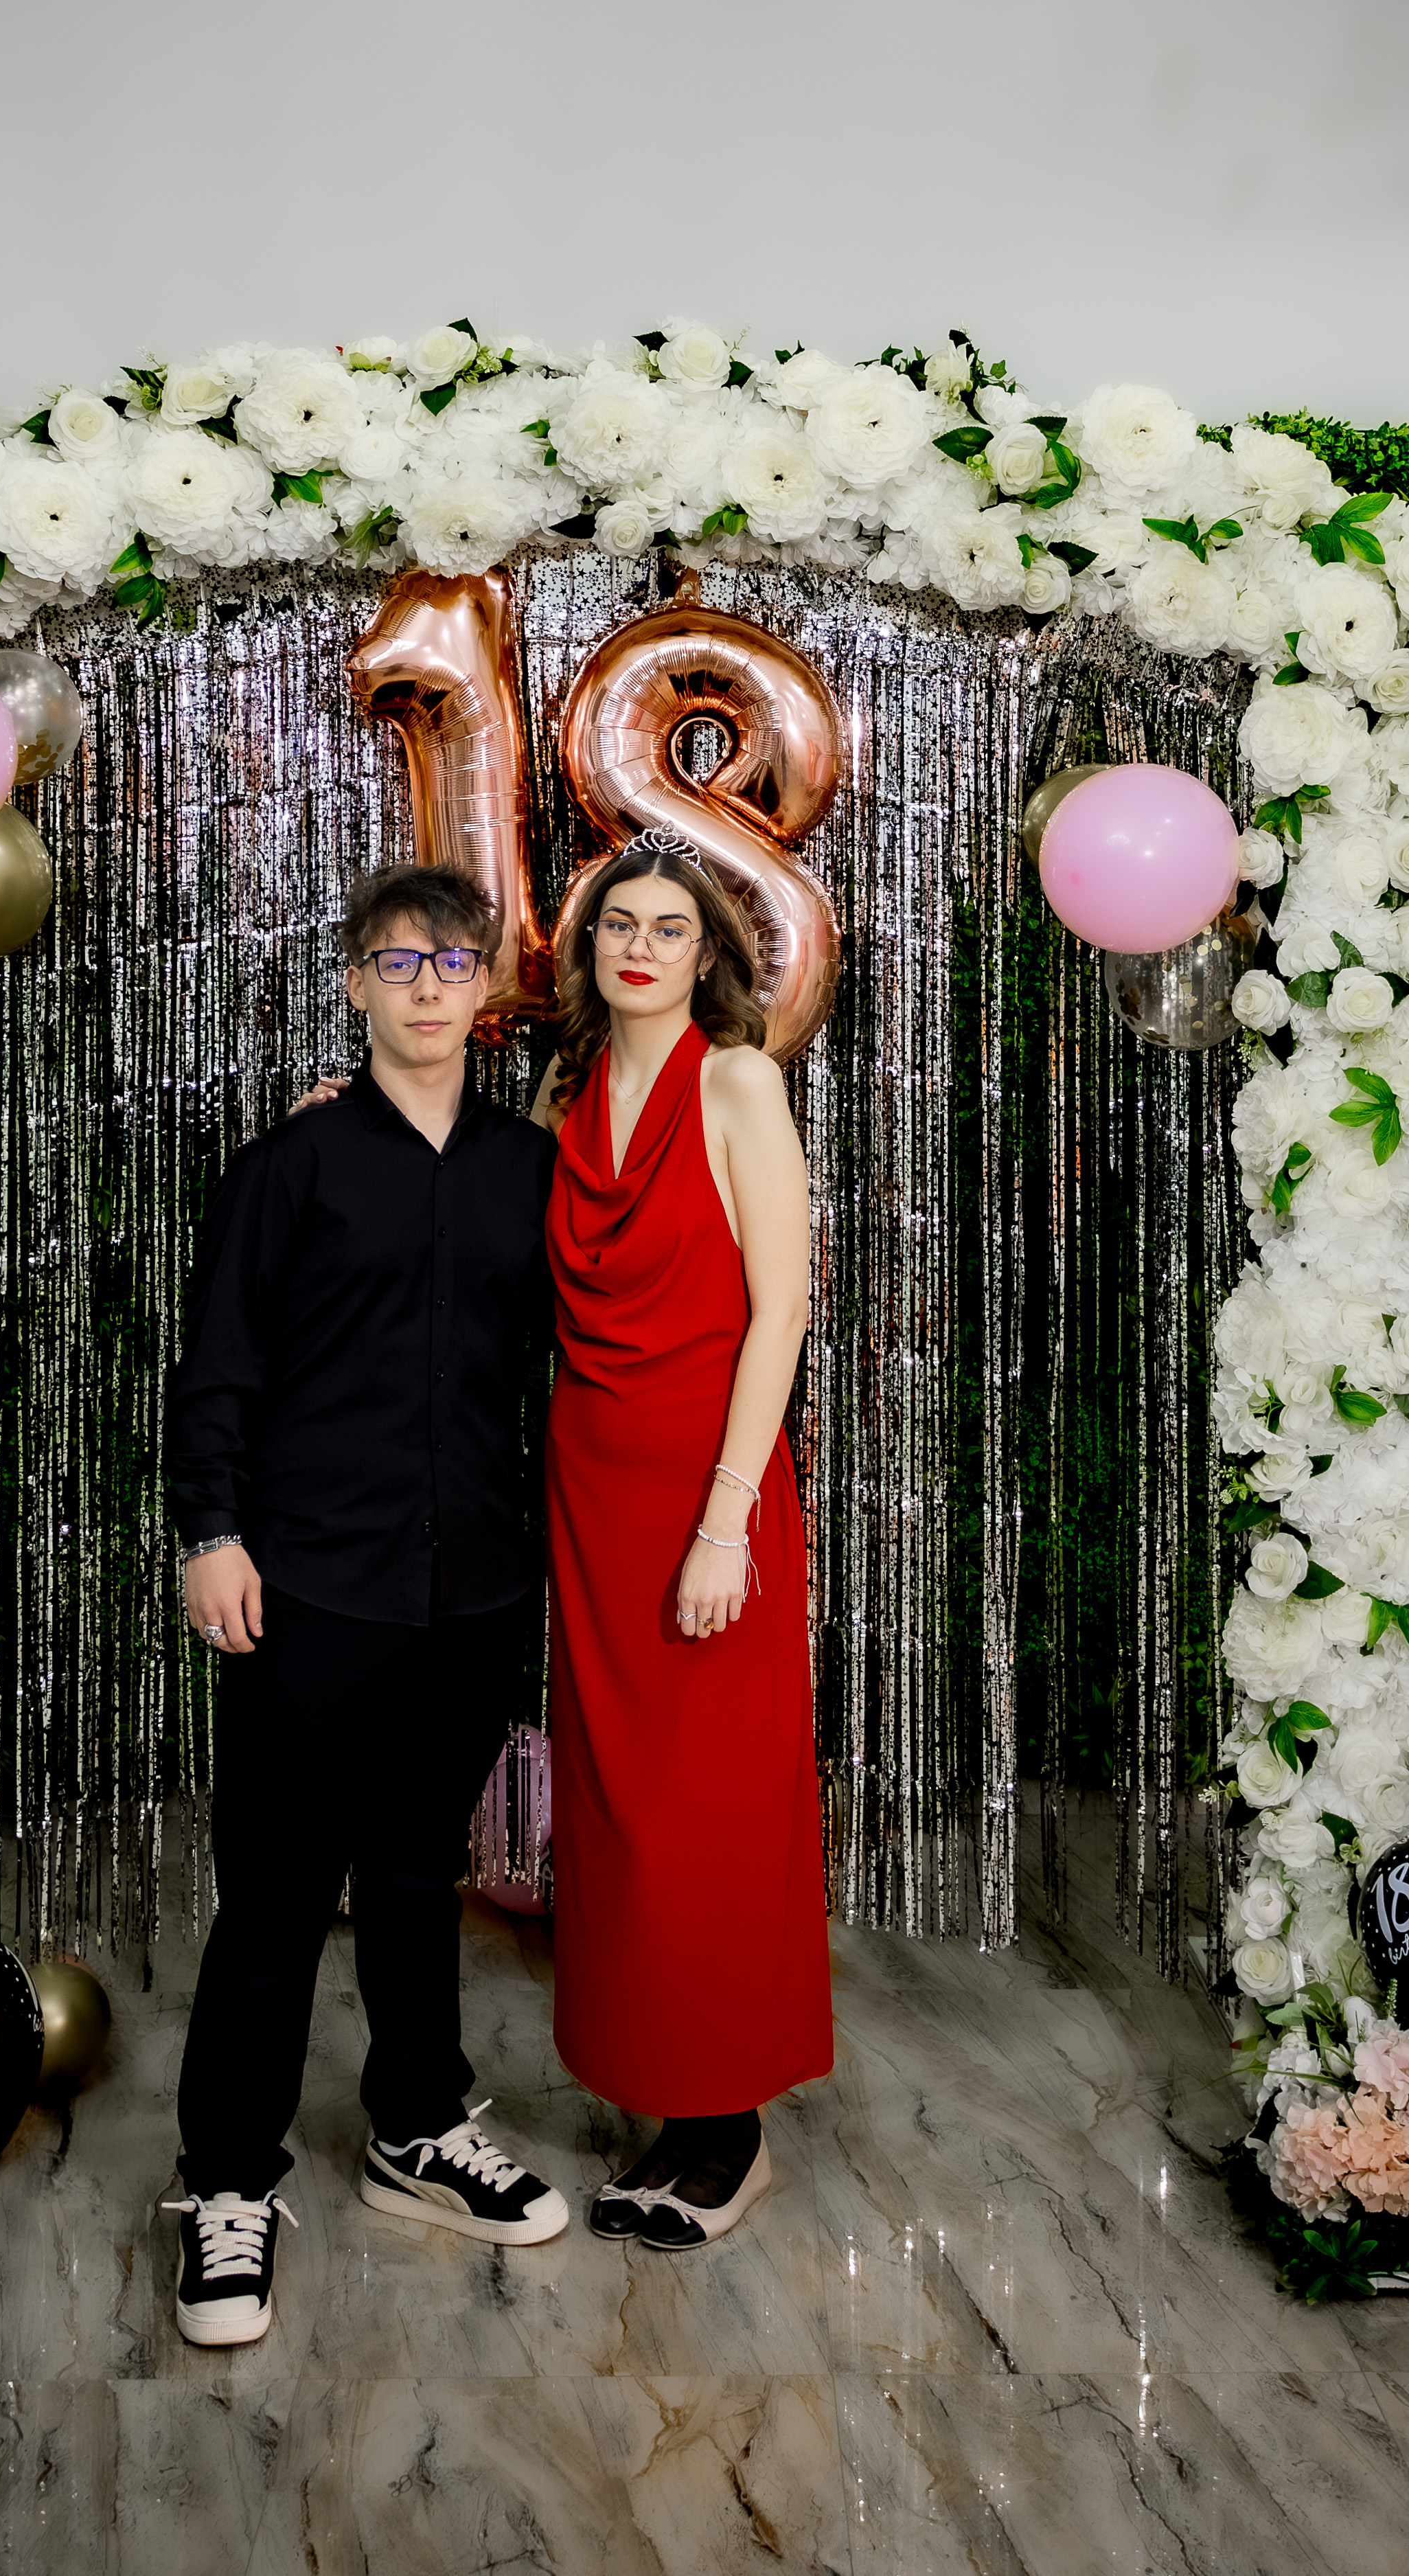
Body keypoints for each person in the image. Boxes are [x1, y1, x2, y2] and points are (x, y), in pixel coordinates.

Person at [161, 861, 571, 2349]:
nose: (426, 985)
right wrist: (211, 1532)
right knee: (278, 1888)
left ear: (485, 987)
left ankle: (417, 2125)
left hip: (474, 1586)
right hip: (311, 1578)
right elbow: (219, 1364)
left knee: (413, 1872)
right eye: (397, 961)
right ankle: (224, 2181)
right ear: (354, 984)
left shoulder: (533, 1170)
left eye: (452, 962)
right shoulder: (292, 1164)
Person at [537, 825, 835, 2248]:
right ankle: (663, 2099)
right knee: (616, 1812)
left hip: (708, 1495)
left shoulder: (735, 1080)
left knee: (709, 1809)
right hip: (589, 1495)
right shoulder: (562, 1088)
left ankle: (731, 2131)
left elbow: (780, 1308)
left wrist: (727, 1522)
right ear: (589, 949)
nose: (640, 946)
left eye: (667, 927)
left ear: (707, 951)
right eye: (618, 925)